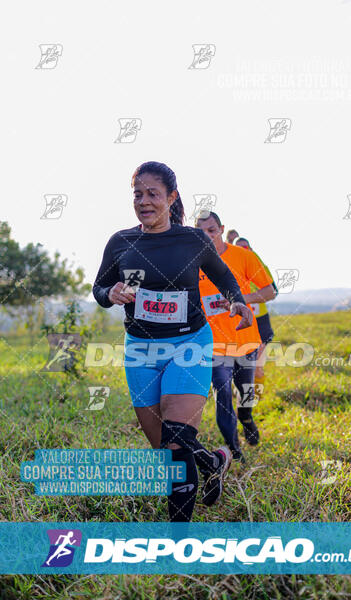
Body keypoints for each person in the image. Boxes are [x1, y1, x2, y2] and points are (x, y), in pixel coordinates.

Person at [92, 161, 253, 522]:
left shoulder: (192, 239)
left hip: (189, 345)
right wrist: (111, 291)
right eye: (138, 194)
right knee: (165, 452)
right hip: (140, 350)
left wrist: (237, 300)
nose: (144, 201)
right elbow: (99, 287)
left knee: (177, 444)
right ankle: (215, 461)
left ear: (171, 197)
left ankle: (177, 542)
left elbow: (223, 275)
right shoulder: (120, 242)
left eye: (153, 194)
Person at [196, 213, 276, 462]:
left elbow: (269, 291)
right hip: (213, 344)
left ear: (221, 229)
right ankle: (235, 450)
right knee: (223, 395)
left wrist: (239, 299)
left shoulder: (242, 256)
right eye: (202, 232)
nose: (208, 236)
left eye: (212, 230)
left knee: (246, 393)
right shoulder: (191, 261)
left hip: (245, 338)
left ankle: (247, 418)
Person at [235, 237, 278, 383]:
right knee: (242, 362)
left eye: (246, 247)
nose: (243, 250)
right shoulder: (229, 264)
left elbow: (273, 290)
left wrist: (250, 297)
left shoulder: (257, 264)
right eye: (239, 248)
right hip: (239, 317)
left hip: (260, 316)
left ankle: (257, 394)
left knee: (258, 363)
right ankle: (244, 391)